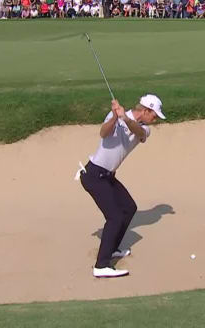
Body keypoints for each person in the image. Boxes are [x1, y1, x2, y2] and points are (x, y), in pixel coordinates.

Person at [79, 94, 166, 278]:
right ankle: (101, 265)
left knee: (129, 207)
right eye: (154, 115)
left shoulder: (143, 129)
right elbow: (103, 133)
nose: (155, 119)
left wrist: (124, 118)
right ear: (145, 110)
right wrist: (114, 117)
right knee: (115, 217)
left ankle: (112, 249)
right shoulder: (116, 117)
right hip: (94, 175)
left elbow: (138, 133)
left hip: (108, 176)